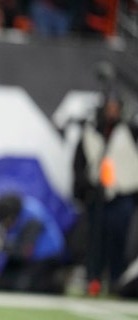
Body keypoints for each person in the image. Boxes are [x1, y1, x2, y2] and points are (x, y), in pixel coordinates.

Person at [73, 91, 138, 296]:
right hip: (97, 194)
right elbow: (79, 164)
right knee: (95, 240)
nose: (112, 112)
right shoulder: (92, 132)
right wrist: (83, 190)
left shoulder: (130, 132)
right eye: (108, 108)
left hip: (123, 195)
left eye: (115, 108)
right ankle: (93, 280)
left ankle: (117, 281)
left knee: (118, 239)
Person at [0, 193, 68, 294]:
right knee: (3, 285)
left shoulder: (32, 219)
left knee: (21, 288)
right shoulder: (6, 209)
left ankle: (55, 281)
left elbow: (23, 253)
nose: (5, 227)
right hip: (25, 254)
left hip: (46, 257)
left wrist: (1, 246)